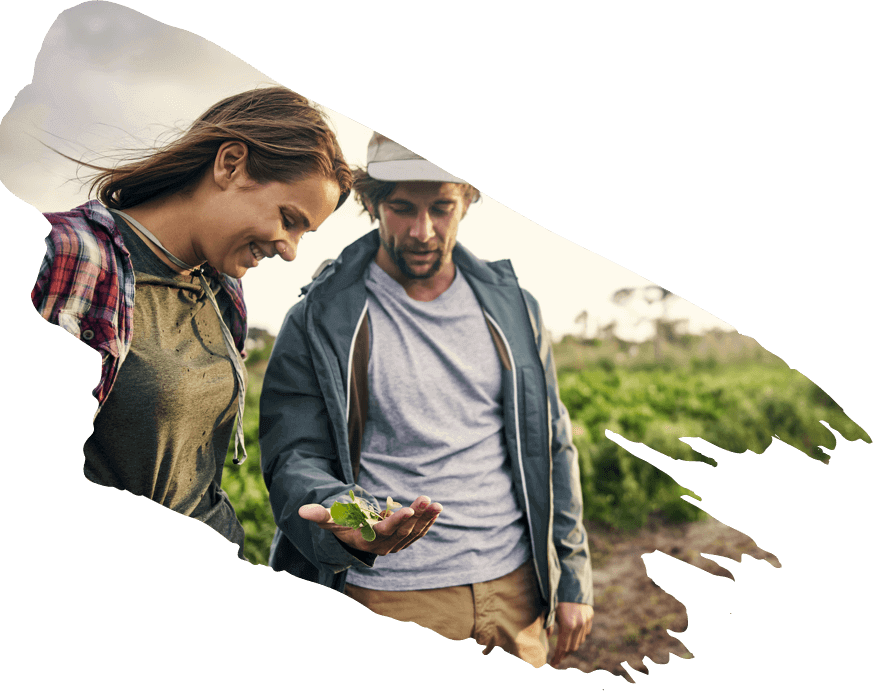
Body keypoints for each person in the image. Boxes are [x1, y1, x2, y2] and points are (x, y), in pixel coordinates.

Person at [258, 132, 593, 666]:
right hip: (390, 594)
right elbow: (293, 457)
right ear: (370, 203)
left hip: (515, 590)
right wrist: (358, 519)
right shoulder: (319, 317)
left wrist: (572, 578)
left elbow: (551, 443)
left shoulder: (516, 309)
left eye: (441, 208)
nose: (423, 231)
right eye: (401, 208)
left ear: (468, 199)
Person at [32, 87, 352, 561]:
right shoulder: (70, 255)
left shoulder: (224, 290)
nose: (290, 249)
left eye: (304, 233)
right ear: (230, 164)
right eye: (289, 219)